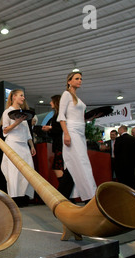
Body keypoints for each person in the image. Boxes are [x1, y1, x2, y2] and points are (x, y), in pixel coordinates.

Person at [56, 72, 96, 202]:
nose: (80, 81)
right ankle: (90, 196)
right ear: (69, 81)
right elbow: (61, 116)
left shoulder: (76, 97)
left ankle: (62, 196)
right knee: (81, 163)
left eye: (81, 79)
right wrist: (66, 134)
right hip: (72, 131)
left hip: (80, 132)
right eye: (77, 78)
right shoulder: (66, 94)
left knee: (74, 165)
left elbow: (79, 116)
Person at [0, 89, 36, 207]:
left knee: (28, 171)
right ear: (14, 97)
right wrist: (17, 122)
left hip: (24, 146)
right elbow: (5, 130)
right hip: (13, 145)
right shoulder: (7, 112)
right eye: (21, 95)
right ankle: (14, 198)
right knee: (14, 172)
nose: (23, 98)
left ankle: (24, 196)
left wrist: (31, 145)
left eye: (23, 96)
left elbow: (27, 132)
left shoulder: (23, 113)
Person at [42, 95, 64, 182]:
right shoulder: (58, 114)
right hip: (59, 145)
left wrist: (50, 128)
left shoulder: (59, 115)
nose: (50, 103)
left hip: (60, 145)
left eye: (52, 101)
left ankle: (63, 188)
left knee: (57, 167)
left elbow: (59, 129)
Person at [114, 125, 135, 190]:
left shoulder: (118, 139)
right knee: (131, 179)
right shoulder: (133, 139)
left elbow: (116, 151)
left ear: (122, 130)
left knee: (122, 180)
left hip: (120, 164)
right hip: (131, 163)